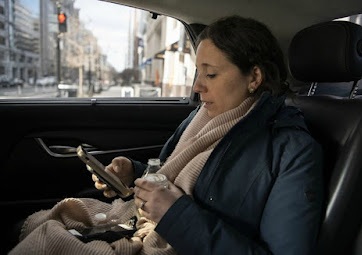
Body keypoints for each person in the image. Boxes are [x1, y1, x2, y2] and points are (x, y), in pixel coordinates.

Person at [10, 15, 324, 255]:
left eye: (210, 74)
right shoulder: (203, 115)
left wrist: (175, 214)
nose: (198, 86)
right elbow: (174, 177)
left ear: (254, 76)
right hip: (144, 225)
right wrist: (133, 172)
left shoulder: (292, 150)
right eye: (197, 73)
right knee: (39, 227)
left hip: (173, 239)